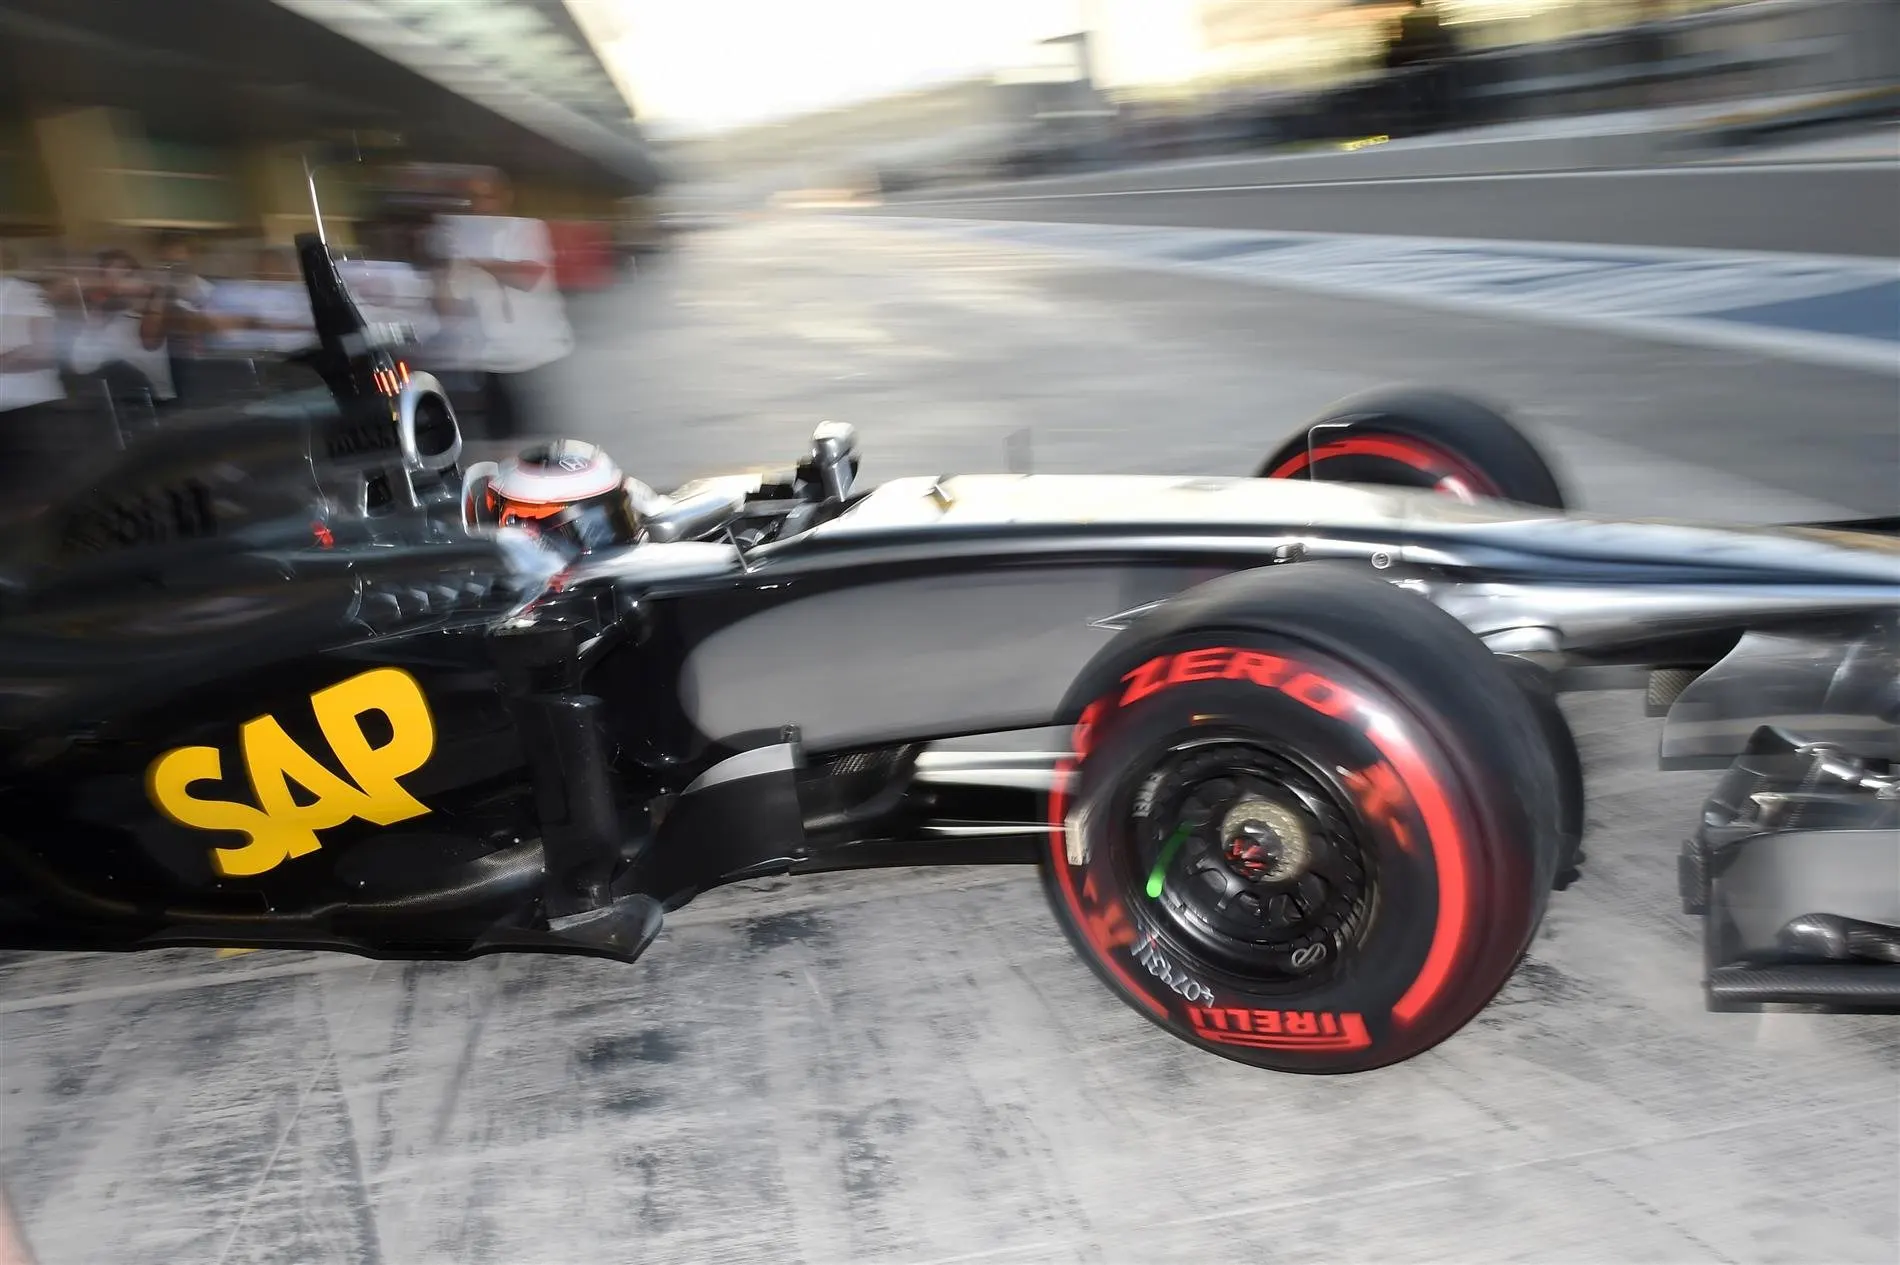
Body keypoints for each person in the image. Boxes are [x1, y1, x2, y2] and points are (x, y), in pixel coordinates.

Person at [428, 171, 574, 442]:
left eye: (486, 195)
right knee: (500, 438)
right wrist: (445, 272)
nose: (479, 204)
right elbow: (447, 303)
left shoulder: (526, 230)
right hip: (488, 356)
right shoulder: (458, 236)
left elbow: (528, 276)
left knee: (541, 439)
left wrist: (476, 262)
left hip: (533, 354)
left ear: (504, 197)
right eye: (472, 197)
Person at [65, 248, 177, 411]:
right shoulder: (110, 319)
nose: (118, 283)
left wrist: (159, 294)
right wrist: (98, 317)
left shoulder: (159, 310)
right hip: (127, 405)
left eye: (126, 275)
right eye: (109, 277)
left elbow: (150, 340)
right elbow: (81, 365)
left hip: (159, 403)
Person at [0, 245, 69, 504]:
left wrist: (4, 360)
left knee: (34, 496)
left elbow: (44, 350)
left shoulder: (25, 294)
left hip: (29, 407)